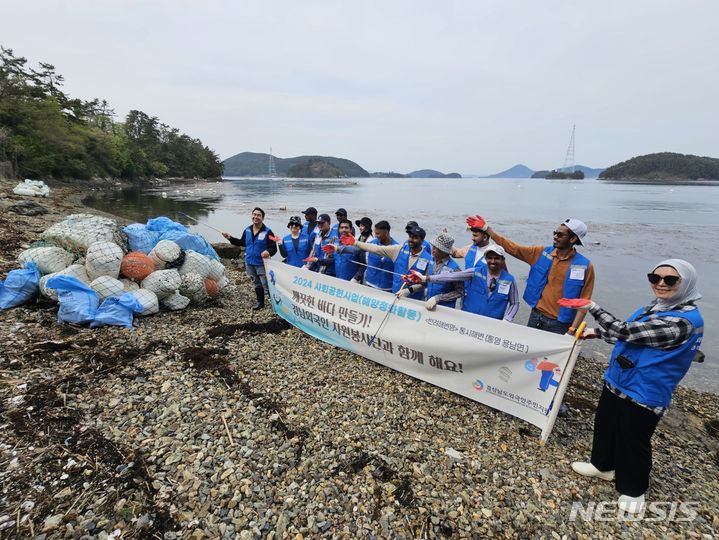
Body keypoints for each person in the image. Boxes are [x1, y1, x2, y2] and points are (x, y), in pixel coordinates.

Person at [564, 259, 704, 514]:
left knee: (633, 439)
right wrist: (595, 333)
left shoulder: (684, 322)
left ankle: (633, 488)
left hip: (646, 390)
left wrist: (593, 307)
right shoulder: (655, 307)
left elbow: (626, 331)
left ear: (686, 283)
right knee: (605, 425)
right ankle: (602, 466)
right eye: (655, 277)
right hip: (619, 380)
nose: (661, 284)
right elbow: (634, 336)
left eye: (670, 280)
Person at [467, 215, 594, 334]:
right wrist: (487, 230)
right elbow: (513, 248)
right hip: (536, 317)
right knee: (531, 357)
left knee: (552, 358)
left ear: (572, 239)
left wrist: (572, 330)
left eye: (560, 234)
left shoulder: (585, 266)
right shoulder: (541, 253)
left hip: (561, 324)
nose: (555, 236)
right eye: (555, 233)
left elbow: (584, 304)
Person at [410, 244, 519, 321]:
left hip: (492, 325)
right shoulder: (475, 272)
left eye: (497, 258)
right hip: (468, 321)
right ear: (485, 258)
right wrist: (424, 278)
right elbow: (451, 276)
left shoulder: (509, 280)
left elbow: (514, 303)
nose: (493, 261)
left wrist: (507, 319)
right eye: (490, 258)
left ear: (503, 260)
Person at [342, 225, 432, 300]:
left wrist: (409, 290)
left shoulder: (429, 259)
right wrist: (355, 242)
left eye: (415, 238)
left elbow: (426, 283)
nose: (411, 240)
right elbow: (376, 249)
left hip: (414, 300)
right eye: (410, 236)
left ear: (422, 240)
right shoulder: (398, 249)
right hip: (395, 296)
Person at [222, 207, 277, 310]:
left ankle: (276, 304)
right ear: (252, 216)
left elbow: (274, 248)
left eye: (258, 215)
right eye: (254, 214)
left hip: (261, 263)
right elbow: (242, 243)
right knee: (256, 283)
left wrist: (268, 251)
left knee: (266, 284)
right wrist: (229, 237)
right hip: (249, 262)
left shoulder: (268, 232)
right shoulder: (247, 230)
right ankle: (260, 303)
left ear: (262, 218)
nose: (256, 217)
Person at [401, 232, 463, 310]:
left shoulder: (454, 269)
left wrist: (438, 298)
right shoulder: (431, 262)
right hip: (429, 305)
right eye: (433, 246)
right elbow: (426, 283)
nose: (432, 250)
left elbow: (460, 292)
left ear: (444, 251)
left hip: (445, 310)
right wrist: (410, 290)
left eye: (436, 248)